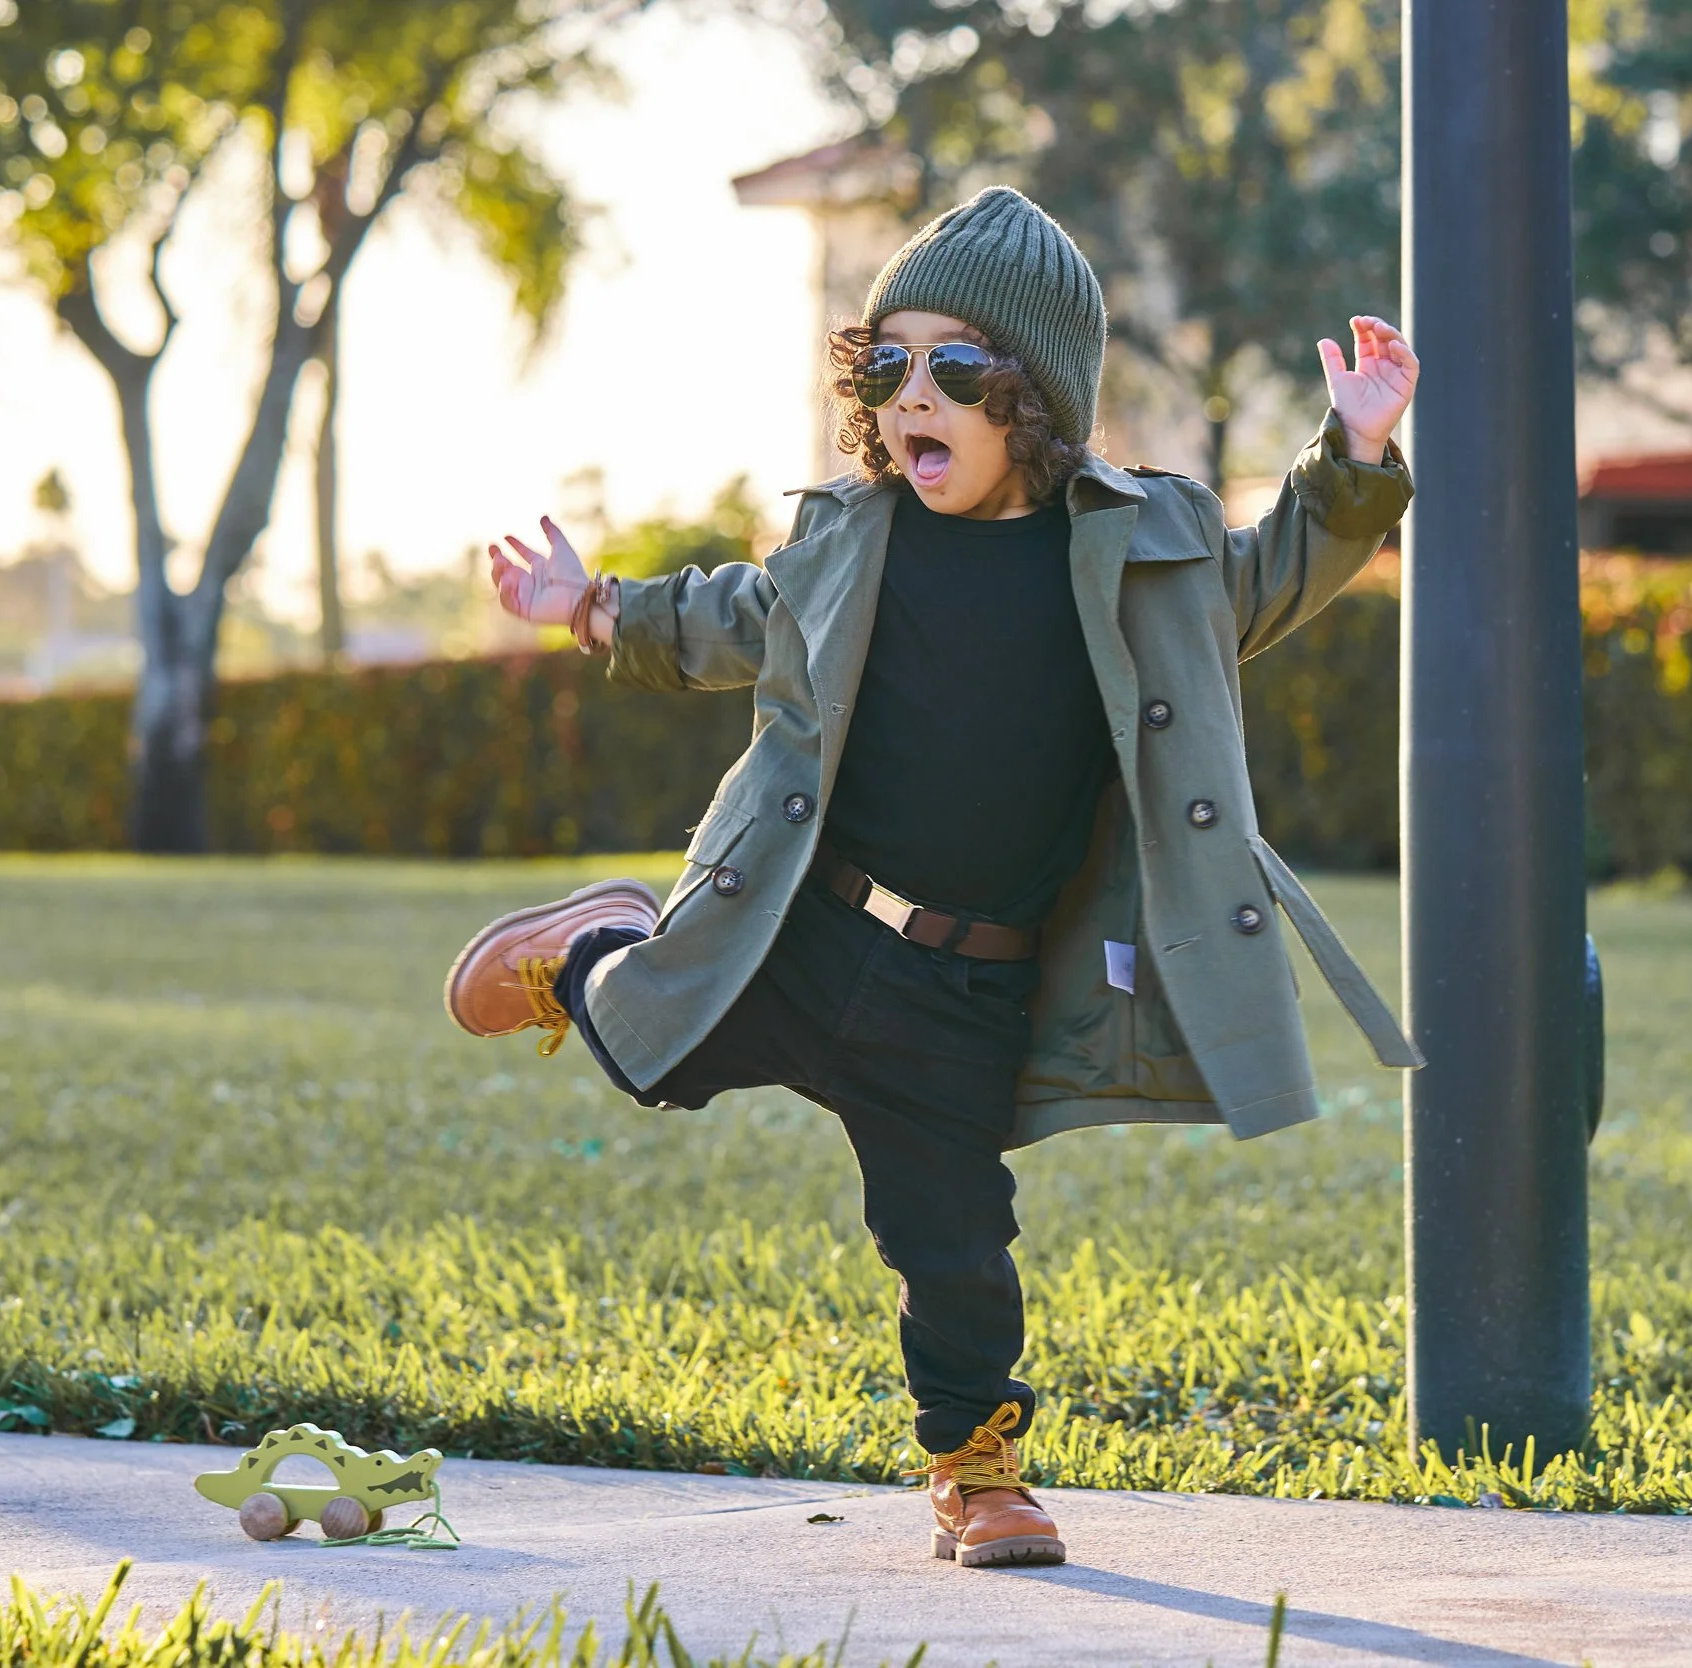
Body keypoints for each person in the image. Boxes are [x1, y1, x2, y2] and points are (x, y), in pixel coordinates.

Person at [442, 186, 1422, 1570]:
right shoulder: (852, 538)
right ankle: (596, 945)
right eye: (886, 366)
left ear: (1033, 398)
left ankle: (980, 1470)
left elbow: (1276, 573)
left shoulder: (1147, 544)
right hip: (804, 932)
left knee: (951, 1241)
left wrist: (1358, 445)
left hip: (966, 985)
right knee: (648, 1054)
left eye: (956, 369)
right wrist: (593, 604)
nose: (916, 395)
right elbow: (731, 618)